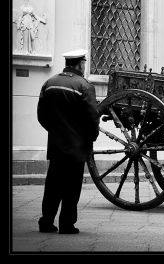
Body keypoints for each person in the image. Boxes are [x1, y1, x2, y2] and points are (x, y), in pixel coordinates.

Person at [37, 49, 100, 234]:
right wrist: (90, 138)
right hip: (77, 147)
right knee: (72, 187)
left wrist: (56, 131)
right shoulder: (84, 86)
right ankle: (67, 224)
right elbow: (92, 119)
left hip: (56, 145)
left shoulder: (49, 83)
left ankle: (46, 221)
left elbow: (42, 115)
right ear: (81, 64)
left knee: (53, 185)